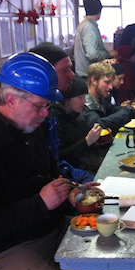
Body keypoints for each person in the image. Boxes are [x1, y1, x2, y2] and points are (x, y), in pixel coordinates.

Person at [0, 53, 95, 270]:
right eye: (39, 106)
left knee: (103, 247)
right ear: (12, 101)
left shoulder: (28, 126)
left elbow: (50, 171)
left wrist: (71, 191)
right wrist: (40, 204)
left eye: (47, 105)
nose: (45, 114)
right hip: (4, 248)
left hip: (48, 226)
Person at [30, 42, 94, 183]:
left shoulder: (51, 107)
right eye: (65, 70)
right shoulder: (30, 119)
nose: (72, 74)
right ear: (44, 74)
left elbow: (54, 160)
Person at [56, 75, 109, 175]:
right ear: (66, 99)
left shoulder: (79, 114)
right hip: (77, 171)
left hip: (91, 162)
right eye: (80, 97)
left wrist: (97, 141)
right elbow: (62, 156)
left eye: (85, 96)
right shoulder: (57, 121)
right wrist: (87, 141)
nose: (84, 101)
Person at [82, 61, 135, 134]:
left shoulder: (101, 97)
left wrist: (132, 109)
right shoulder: (84, 102)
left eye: (111, 82)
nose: (111, 87)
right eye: (107, 82)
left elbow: (112, 110)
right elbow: (98, 124)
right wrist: (128, 112)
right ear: (94, 80)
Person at [74, 0, 115, 78]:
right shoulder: (89, 27)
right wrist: (108, 53)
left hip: (84, 73)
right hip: (87, 75)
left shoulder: (83, 24)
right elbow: (91, 54)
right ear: (99, 11)